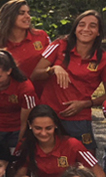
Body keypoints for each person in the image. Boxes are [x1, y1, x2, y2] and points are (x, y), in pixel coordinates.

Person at [13, 105, 104, 177]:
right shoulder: (26, 145)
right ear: (30, 125)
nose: (44, 133)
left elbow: (99, 174)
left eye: (48, 128)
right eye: (38, 128)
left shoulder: (72, 144)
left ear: (56, 125)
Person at [31, 10, 106, 152]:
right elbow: (35, 75)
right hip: (49, 116)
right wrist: (53, 69)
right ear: (75, 29)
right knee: (46, 159)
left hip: (80, 118)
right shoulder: (59, 45)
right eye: (81, 24)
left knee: (85, 164)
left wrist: (85, 104)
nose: (86, 29)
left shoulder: (102, 58)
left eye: (92, 26)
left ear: (98, 32)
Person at [0, 0, 50, 88]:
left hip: (44, 93)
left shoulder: (41, 36)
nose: (28, 16)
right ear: (10, 16)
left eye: (28, 13)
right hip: (16, 96)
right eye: (22, 13)